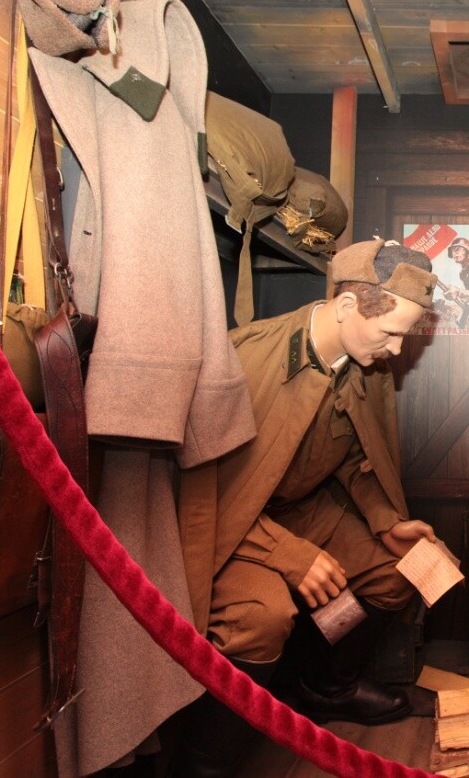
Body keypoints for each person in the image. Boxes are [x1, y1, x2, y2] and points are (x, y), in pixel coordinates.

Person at [173, 239, 441, 775]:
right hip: (233, 523)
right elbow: (203, 495)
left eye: (403, 335)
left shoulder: (366, 363)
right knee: (262, 616)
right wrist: (290, 557)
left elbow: (357, 458)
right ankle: (202, 762)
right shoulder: (245, 359)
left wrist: (386, 522)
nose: (395, 349)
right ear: (347, 305)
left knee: (401, 572)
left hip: (300, 510)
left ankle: (324, 685)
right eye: (389, 332)